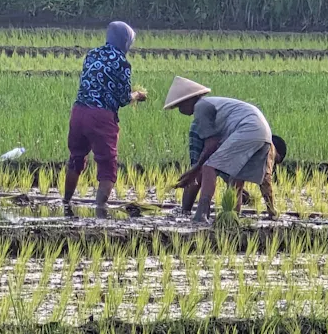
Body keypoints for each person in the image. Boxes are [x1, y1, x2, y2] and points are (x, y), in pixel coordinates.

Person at [163, 77, 286, 222]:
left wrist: (194, 170)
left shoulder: (200, 107)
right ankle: (232, 218)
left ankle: (202, 213)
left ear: (189, 100)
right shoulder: (214, 104)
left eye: (180, 106)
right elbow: (266, 179)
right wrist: (272, 211)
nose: (181, 111)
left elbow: (211, 145)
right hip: (263, 132)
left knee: (209, 166)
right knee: (237, 178)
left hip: (247, 128)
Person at [64, 21, 146, 216]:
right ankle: (100, 210)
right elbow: (123, 98)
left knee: (76, 158)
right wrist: (138, 95)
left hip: (79, 112)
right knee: (107, 164)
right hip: (101, 117)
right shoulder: (122, 62)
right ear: (125, 42)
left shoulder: (92, 54)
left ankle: (66, 202)